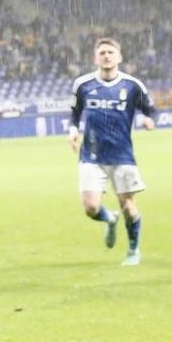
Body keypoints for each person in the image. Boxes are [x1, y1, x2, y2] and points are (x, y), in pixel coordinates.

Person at [68, 39, 155, 266]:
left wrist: (148, 119)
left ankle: (133, 250)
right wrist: (73, 130)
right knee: (91, 207)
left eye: (110, 52)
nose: (106, 56)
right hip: (91, 154)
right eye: (102, 53)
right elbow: (75, 113)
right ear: (95, 58)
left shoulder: (133, 85)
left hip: (122, 155)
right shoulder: (83, 84)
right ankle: (109, 218)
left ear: (119, 57)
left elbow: (150, 109)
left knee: (127, 205)